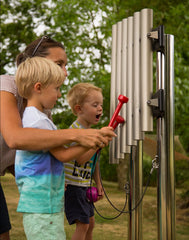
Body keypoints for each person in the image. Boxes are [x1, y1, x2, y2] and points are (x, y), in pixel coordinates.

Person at [0, 36, 116, 239]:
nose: (65, 72)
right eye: (59, 64)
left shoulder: (42, 112)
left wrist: (93, 140)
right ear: (35, 64)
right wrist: (81, 135)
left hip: (43, 200)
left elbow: (38, 153)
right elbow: (15, 138)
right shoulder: (6, 86)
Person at [15, 57, 102, 240]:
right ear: (38, 88)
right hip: (42, 205)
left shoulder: (38, 118)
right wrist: (93, 141)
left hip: (44, 203)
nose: (60, 95)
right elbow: (63, 154)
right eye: (57, 88)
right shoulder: (38, 121)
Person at [64, 83, 105, 240]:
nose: (100, 108)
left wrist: (99, 184)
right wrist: (98, 143)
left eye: (101, 104)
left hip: (84, 185)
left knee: (91, 223)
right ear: (79, 109)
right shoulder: (75, 132)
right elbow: (81, 159)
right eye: (95, 105)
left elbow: (93, 162)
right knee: (83, 225)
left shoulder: (91, 133)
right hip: (73, 186)